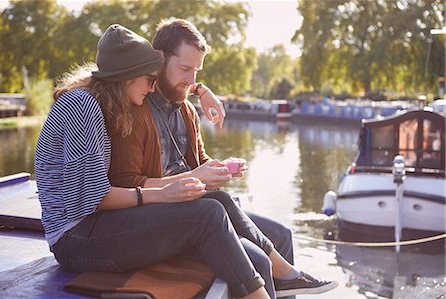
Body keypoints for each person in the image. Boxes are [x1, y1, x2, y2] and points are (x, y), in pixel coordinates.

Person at [34, 24, 274, 299]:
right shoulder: (82, 106)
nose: (151, 87)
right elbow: (94, 199)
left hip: (99, 225)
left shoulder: (102, 102)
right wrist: (160, 194)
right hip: (75, 239)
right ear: (126, 76)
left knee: (223, 213)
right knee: (208, 215)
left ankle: (277, 279)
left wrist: (200, 89)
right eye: (149, 79)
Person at [109, 19, 338, 298]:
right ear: (159, 59)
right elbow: (126, 182)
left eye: (196, 71)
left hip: (199, 206)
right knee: (258, 257)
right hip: (163, 217)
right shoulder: (135, 108)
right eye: (185, 69)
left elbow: (199, 163)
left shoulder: (187, 112)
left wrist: (218, 170)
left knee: (282, 234)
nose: (192, 80)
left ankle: (289, 280)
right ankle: (286, 275)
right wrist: (198, 177)